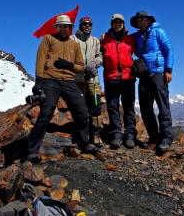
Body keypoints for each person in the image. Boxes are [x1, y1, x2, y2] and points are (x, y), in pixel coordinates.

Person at [27, 15, 98, 163]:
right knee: (46, 113)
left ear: (71, 28)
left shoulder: (74, 45)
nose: (64, 29)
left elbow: (80, 67)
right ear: (57, 27)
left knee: (82, 112)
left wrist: (69, 65)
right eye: (61, 26)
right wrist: (39, 81)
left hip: (69, 81)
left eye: (67, 26)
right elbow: (40, 60)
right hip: (50, 80)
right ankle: (33, 151)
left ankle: (84, 143)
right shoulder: (48, 39)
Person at [130, 11, 174, 152]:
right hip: (144, 75)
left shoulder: (158, 32)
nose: (142, 21)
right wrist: (107, 36)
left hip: (159, 73)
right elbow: (122, 39)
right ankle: (154, 138)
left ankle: (166, 139)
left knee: (163, 107)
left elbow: (169, 50)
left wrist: (169, 70)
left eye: (144, 19)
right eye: (139, 20)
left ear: (148, 21)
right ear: (136, 23)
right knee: (145, 109)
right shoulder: (136, 36)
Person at [100, 14, 137, 149]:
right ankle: (116, 134)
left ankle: (130, 135)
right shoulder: (104, 39)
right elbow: (98, 55)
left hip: (128, 78)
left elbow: (141, 52)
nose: (118, 24)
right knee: (112, 107)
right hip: (111, 78)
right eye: (115, 22)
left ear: (123, 24)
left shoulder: (130, 39)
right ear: (111, 24)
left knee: (129, 107)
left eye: (120, 22)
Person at [71, 16, 103, 146]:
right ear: (80, 25)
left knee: (95, 106)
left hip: (93, 80)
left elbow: (100, 56)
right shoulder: (72, 39)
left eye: (90, 24)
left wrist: (95, 63)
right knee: (79, 107)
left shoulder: (95, 41)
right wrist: (80, 68)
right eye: (84, 24)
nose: (87, 26)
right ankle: (80, 134)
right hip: (77, 80)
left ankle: (96, 134)